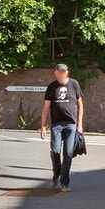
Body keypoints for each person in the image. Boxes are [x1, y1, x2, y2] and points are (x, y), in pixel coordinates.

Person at [39, 63, 84, 192]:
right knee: (55, 151)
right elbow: (46, 108)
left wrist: (79, 124)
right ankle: (56, 173)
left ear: (67, 72)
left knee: (68, 153)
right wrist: (42, 126)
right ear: (56, 73)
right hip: (56, 124)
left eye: (64, 72)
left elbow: (80, 105)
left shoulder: (74, 84)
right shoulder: (52, 87)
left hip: (71, 124)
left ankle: (65, 183)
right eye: (59, 72)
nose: (62, 74)